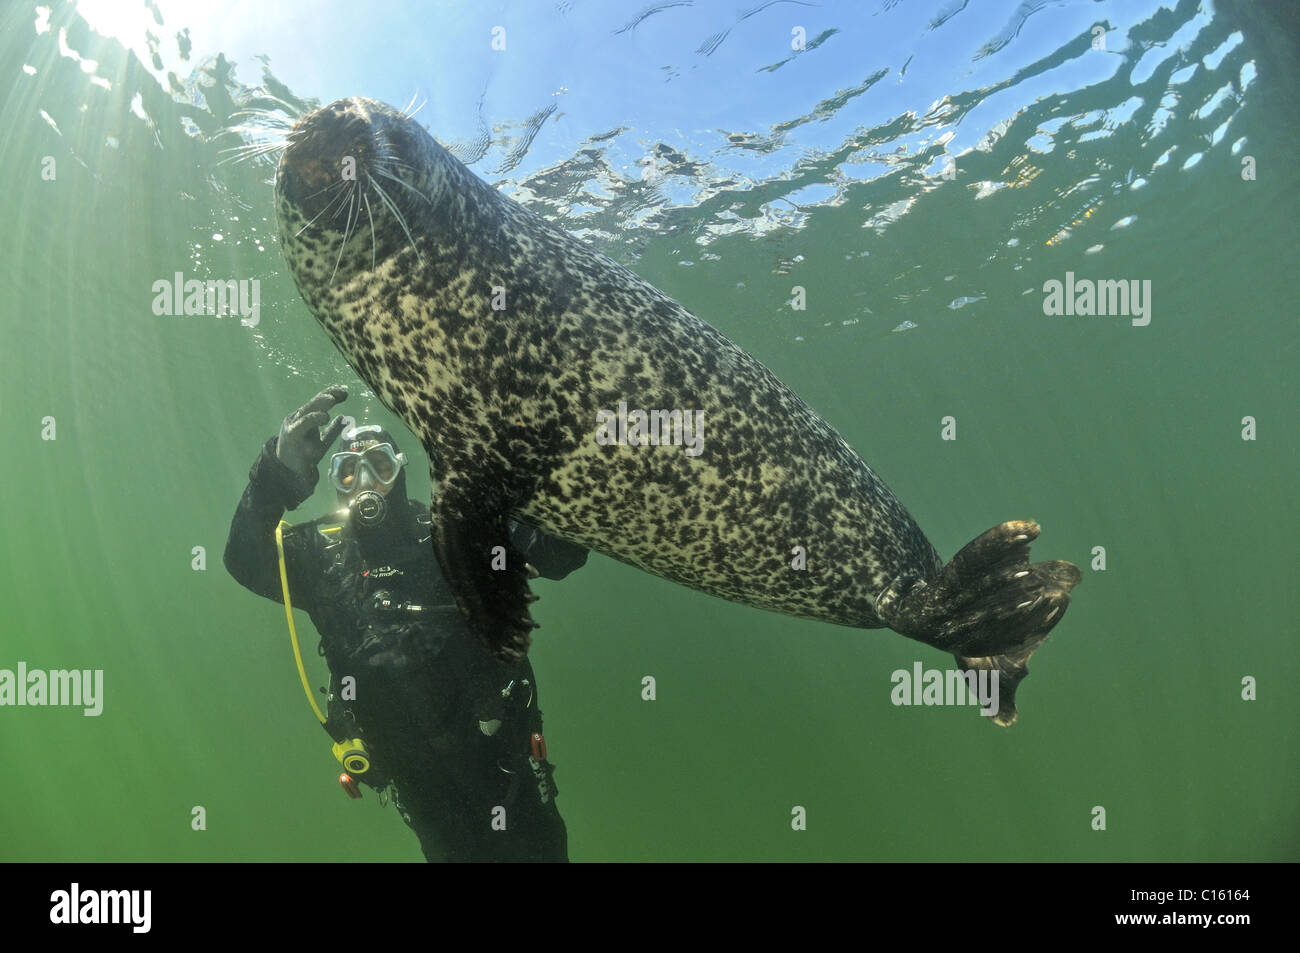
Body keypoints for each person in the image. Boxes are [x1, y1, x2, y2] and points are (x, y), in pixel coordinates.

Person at [224, 385, 586, 862]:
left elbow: (560, 554)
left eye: (380, 464)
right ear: (333, 481)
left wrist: (523, 479)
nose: (366, 481)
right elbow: (244, 560)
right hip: (420, 790)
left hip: (504, 763)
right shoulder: (318, 558)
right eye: (348, 470)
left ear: (401, 470)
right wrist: (276, 476)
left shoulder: (457, 537)